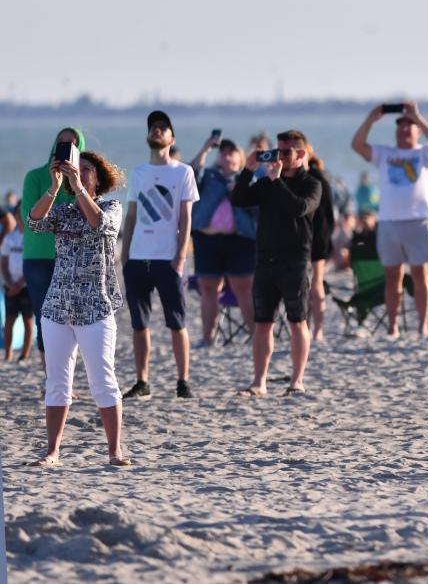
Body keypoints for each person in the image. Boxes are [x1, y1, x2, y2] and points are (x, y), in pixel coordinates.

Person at [27, 151, 130, 467]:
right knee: (57, 383)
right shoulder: (62, 211)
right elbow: (34, 221)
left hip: (95, 308)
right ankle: (53, 451)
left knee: (103, 380)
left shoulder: (111, 207)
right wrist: (55, 187)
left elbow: (99, 224)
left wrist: (79, 187)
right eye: (77, 169)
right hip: (57, 307)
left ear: (98, 177)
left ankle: (114, 450)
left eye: (86, 170)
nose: (80, 173)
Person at [232, 130, 322, 396]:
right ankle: (259, 382)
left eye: (286, 152)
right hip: (265, 259)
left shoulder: (312, 183)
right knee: (263, 322)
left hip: (295, 260)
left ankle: (297, 380)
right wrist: (248, 170)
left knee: (297, 320)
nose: (280, 156)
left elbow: (299, 208)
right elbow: (238, 200)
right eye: (278, 150)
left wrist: (276, 181)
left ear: (301, 154)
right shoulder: (268, 182)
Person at [121, 111, 199, 399]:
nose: (157, 130)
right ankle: (142, 382)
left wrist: (180, 257)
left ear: (172, 138)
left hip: (168, 259)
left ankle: (183, 381)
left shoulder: (183, 172)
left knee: (176, 322)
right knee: (139, 324)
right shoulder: (139, 172)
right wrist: (126, 256)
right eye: (154, 126)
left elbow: (185, 219)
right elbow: (131, 217)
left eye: (163, 127)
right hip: (138, 259)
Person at [351, 102, 428, 337]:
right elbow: (357, 145)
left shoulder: (424, 154)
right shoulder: (385, 154)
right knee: (392, 277)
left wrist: (417, 116)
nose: (403, 130)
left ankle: (422, 326)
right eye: (400, 127)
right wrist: (371, 119)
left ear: (417, 131)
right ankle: (393, 326)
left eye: (409, 127)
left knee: (420, 275)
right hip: (389, 223)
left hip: (418, 220)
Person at [21, 128, 82, 369]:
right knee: (44, 318)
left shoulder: (82, 182)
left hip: (71, 258)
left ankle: (64, 376)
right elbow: (30, 218)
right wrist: (54, 187)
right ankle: (51, 377)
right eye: (61, 143)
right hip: (38, 257)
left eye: (72, 145)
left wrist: (76, 182)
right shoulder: (35, 177)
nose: (65, 148)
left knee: (72, 319)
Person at [188, 134, 257, 347]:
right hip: (207, 240)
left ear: (240, 157)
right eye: (223, 152)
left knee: (243, 288)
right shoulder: (209, 175)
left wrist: (239, 190)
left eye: (231, 152)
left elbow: (258, 210)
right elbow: (189, 175)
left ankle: (256, 336)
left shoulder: (249, 179)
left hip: (239, 240)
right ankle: (208, 337)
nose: (227, 156)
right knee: (208, 288)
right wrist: (206, 148)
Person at [307, 146, 335, 343]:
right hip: (314, 234)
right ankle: (311, 327)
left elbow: (328, 211)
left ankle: (316, 328)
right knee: (311, 282)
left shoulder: (316, 176)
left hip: (316, 234)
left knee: (315, 282)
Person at [1, 204, 34, 361]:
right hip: (10, 285)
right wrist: (9, 282)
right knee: (9, 320)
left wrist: (19, 284)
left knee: (28, 321)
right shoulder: (9, 238)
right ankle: (8, 353)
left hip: (26, 286)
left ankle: (24, 354)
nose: (20, 216)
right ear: (14, 215)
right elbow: (4, 263)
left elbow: (32, 265)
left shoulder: (30, 238)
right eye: (18, 213)